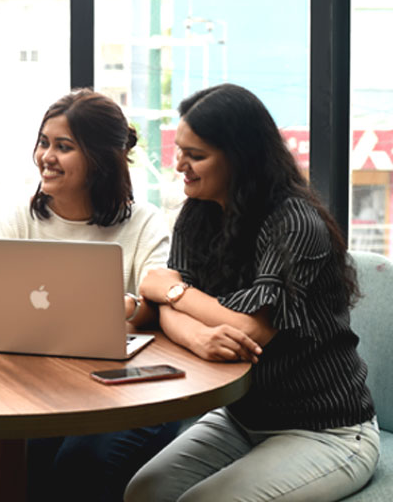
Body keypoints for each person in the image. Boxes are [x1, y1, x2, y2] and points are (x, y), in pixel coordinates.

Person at [124, 83, 379, 502]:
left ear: (241, 158)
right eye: (181, 150)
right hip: (242, 419)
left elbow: (250, 330)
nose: (179, 166)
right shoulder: (198, 212)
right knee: (144, 492)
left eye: (197, 156)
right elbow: (162, 306)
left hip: (328, 430)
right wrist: (196, 333)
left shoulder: (295, 222)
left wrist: (171, 291)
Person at [0, 88, 179, 502]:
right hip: (35, 381)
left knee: (81, 465)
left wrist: (131, 307)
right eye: (43, 143)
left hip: (123, 389)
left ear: (99, 158)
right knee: (23, 457)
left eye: (63, 147)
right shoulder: (19, 215)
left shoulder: (144, 222)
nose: (46, 157)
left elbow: (155, 305)